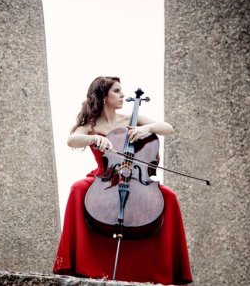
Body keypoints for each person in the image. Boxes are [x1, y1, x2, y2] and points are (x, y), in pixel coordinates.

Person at [53, 76, 193, 285]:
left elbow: (168, 128)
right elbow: (71, 140)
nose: (123, 95)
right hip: (105, 177)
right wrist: (93, 138)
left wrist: (148, 129)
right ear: (103, 96)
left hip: (137, 178)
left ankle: (168, 269)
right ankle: (76, 263)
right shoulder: (91, 124)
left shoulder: (129, 119)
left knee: (169, 197)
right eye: (116, 91)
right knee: (77, 189)